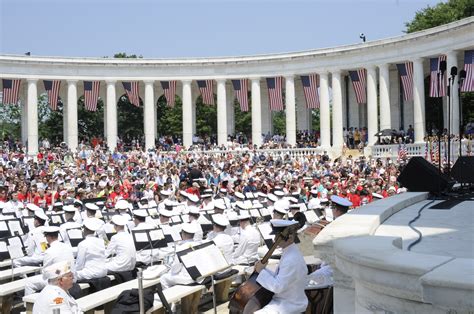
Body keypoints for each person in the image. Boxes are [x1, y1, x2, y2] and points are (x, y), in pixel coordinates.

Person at [252, 219, 308, 313]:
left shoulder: (291, 259)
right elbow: (280, 277)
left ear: (290, 237)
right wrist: (263, 269)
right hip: (286, 300)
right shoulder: (290, 252)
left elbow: (278, 287)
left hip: (289, 304)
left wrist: (261, 272)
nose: (275, 239)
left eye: (278, 236)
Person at [25, 226, 75, 295]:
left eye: (46, 237)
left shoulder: (49, 251)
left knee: (29, 282)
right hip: (70, 276)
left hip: (58, 280)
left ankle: (32, 304)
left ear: (49, 237)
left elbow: (45, 274)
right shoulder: (67, 247)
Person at [160, 223, 201, 289]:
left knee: (163, 278)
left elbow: (175, 269)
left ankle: (171, 298)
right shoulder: (199, 244)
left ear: (182, 233)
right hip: (199, 276)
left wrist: (169, 270)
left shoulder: (181, 248)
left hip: (188, 278)